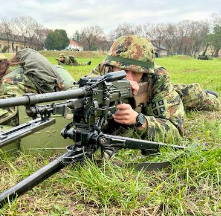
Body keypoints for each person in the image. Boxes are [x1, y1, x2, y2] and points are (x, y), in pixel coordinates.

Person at [90, 35, 220, 143]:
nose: (128, 78)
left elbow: (176, 132)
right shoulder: (102, 71)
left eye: (136, 72)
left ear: (145, 72)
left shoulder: (158, 77)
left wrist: (141, 122)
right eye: (122, 71)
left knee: (189, 93)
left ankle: (210, 96)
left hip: (156, 96)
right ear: (111, 67)